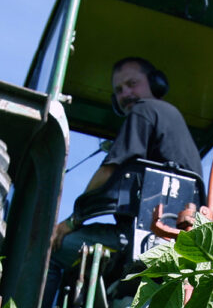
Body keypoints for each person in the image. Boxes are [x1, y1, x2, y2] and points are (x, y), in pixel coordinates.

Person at [51, 57, 203, 254]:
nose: (125, 94)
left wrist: (72, 221)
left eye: (132, 84)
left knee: (56, 247)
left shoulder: (143, 110)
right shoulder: (170, 116)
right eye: (119, 90)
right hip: (176, 236)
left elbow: (107, 172)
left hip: (142, 238)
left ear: (155, 84)